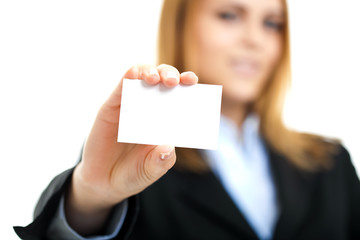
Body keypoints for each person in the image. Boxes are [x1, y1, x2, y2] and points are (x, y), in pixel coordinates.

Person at [14, 0, 360, 239]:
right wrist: (90, 199)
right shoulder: (135, 154)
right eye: (228, 15)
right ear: (180, 24)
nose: (254, 39)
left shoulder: (331, 163)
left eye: (272, 23)